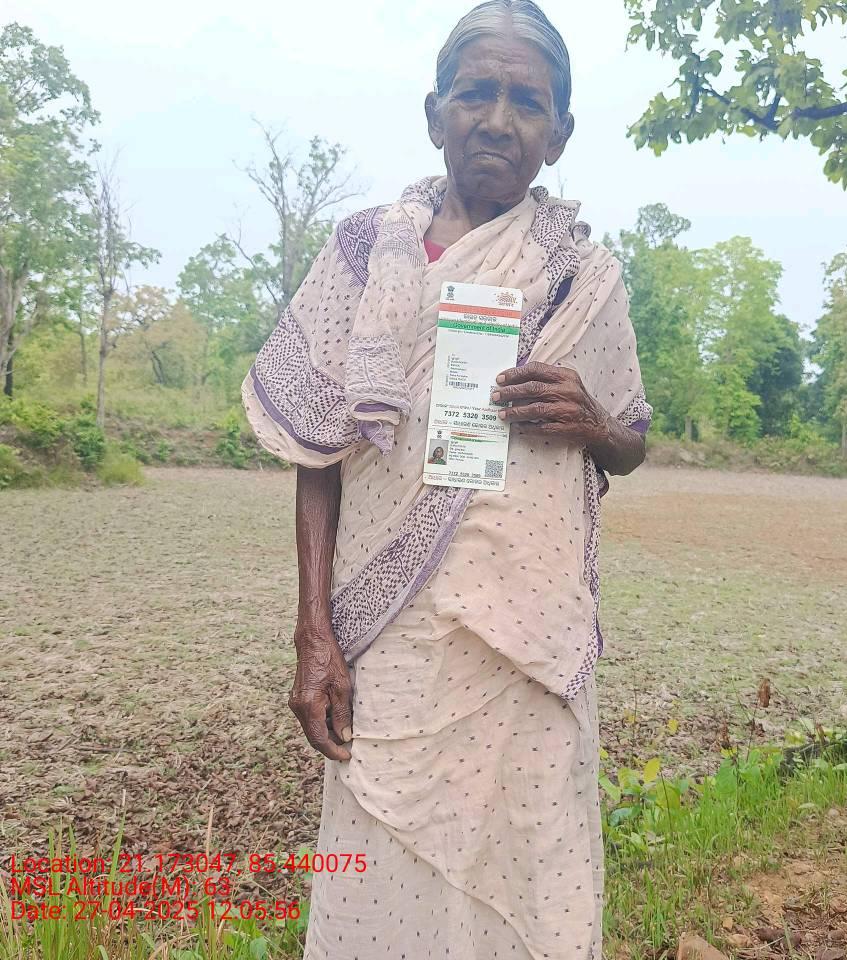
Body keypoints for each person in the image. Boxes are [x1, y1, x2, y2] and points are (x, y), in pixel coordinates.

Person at [241, 1, 652, 956]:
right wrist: (313, 635)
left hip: (524, 637)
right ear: (436, 114)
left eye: (527, 102)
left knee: (527, 851)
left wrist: (592, 421)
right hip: (389, 636)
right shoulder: (362, 253)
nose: (498, 120)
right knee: (386, 859)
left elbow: (630, 441)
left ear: (559, 133)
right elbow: (317, 452)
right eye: (476, 94)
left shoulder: (581, 276)